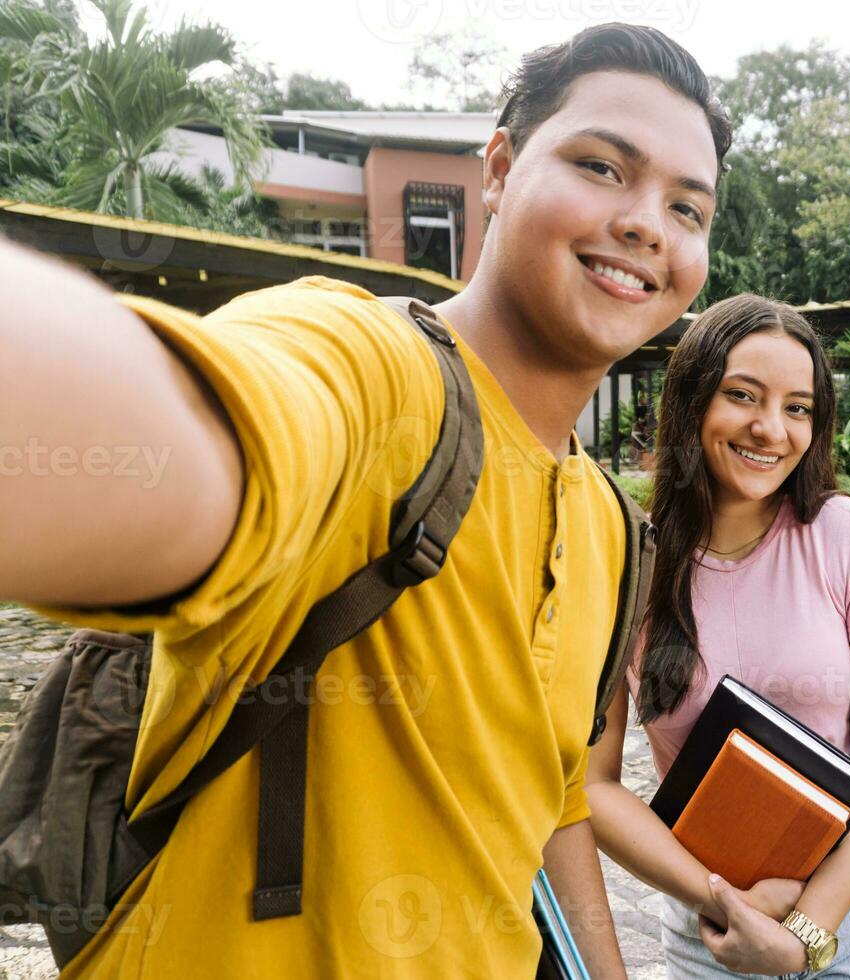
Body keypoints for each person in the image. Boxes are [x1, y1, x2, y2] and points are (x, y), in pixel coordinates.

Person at [0, 23, 729, 978]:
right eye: (601, 167)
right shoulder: (375, 374)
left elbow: (552, 806)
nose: (647, 224)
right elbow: (192, 442)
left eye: (689, 208)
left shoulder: (606, 527)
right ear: (500, 170)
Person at [586, 294, 850, 978]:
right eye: (742, 395)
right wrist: (724, 902)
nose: (771, 429)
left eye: (798, 407)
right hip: (710, 922)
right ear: (690, 403)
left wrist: (807, 930)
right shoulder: (626, 561)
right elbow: (592, 784)